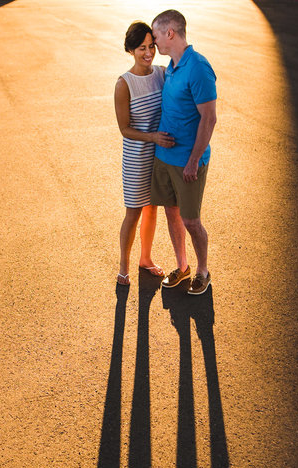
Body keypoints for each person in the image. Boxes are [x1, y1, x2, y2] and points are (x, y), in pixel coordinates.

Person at [150, 9, 216, 295]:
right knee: (172, 214)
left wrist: (193, 161)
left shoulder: (198, 68)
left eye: (155, 36)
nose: (153, 43)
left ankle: (202, 271)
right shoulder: (173, 67)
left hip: (188, 162)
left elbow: (209, 118)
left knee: (191, 220)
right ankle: (182, 266)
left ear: (170, 33)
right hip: (164, 158)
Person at [114, 22, 176, 286]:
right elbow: (125, 129)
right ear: (131, 49)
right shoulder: (124, 84)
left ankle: (146, 258)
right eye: (142, 48)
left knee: (153, 209)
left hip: (160, 156)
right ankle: (123, 266)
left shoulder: (162, 73)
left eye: (152, 46)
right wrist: (152, 137)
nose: (149, 52)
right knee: (134, 212)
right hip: (137, 158)